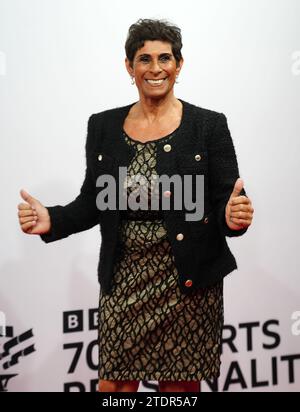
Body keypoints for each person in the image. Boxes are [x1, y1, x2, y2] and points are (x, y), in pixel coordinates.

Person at [17, 18, 254, 393]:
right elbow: (94, 201)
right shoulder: (103, 127)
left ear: (179, 64)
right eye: (144, 59)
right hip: (124, 278)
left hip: (187, 281)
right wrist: (53, 219)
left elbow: (228, 200)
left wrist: (232, 215)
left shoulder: (208, 126)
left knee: (178, 391)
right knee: (115, 388)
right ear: (129, 67)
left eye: (165, 58)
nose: (155, 68)